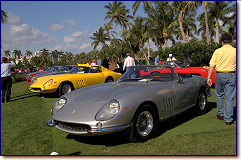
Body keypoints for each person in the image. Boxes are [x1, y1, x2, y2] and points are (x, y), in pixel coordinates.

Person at [207, 34, 236, 125]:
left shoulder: (217, 51)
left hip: (219, 75)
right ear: (230, 41)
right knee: (229, 97)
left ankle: (220, 114)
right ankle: (228, 119)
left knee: (219, 95)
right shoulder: (236, 51)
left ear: (222, 42)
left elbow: (212, 65)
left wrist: (209, 77)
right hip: (231, 74)